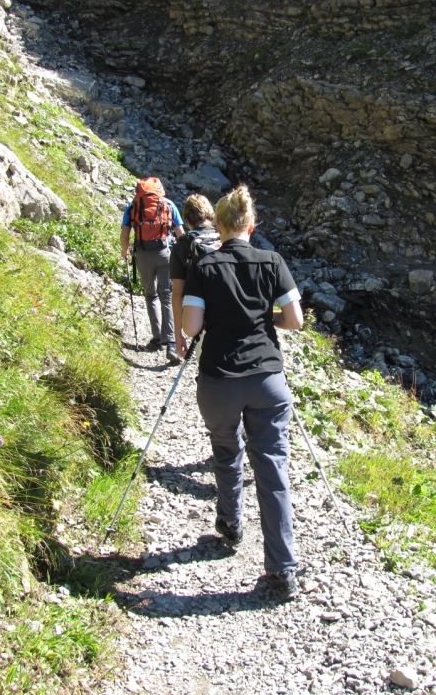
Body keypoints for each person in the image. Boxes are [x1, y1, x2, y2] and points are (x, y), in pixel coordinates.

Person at [181, 185, 305, 601]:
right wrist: (259, 315)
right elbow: (295, 320)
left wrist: (219, 313)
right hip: (267, 377)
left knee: (225, 450)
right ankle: (283, 570)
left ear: (219, 226)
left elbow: (190, 328)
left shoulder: (205, 265)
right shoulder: (273, 262)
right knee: (272, 468)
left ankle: (230, 523)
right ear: (252, 225)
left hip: (219, 378)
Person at [120, 177, 185, 364]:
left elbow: (125, 233)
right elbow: (181, 234)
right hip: (165, 254)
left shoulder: (132, 206)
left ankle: (157, 338)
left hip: (143, 255)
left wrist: (124, 253)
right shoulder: (168, 204)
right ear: (160, 190)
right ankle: (171, 342)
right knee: (168, 295)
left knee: (151, 295)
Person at [169, 193, 220, 359]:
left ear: (187, 219)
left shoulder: (182, 246)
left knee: (208, 370)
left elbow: (178, 294)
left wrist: (178, 334)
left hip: (199, 319)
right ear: (210, 214)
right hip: (233, 316)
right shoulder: (226, 237)